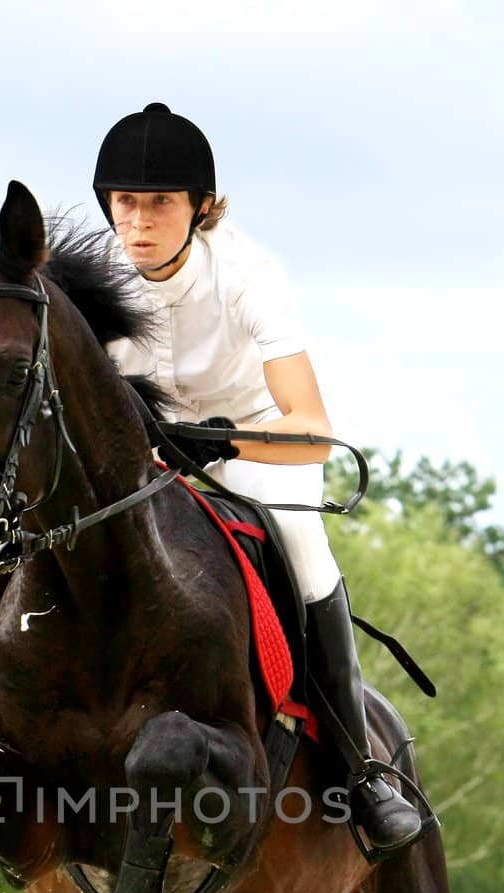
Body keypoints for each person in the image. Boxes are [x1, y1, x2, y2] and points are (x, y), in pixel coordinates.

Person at [94, 102, 422, 855]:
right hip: (138, 465)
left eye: (159, 204)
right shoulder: (96, 275)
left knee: (304, 551)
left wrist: (209, 444)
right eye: (124, 204)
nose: (137, 223)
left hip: (250, 455)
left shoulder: (249, 275)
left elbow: (308, 427)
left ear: (199, 208)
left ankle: (356, 770)